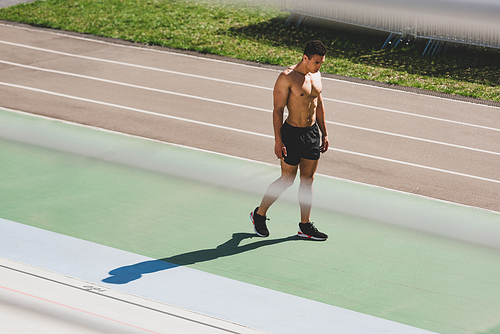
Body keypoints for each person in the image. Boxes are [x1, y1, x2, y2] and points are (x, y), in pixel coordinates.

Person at [250, 40, 329, 241]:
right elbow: (277, 110)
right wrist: (278, 140)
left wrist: (324, 133)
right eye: (317, 62)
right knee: (287, 179)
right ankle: (259, 214)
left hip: (312, 134)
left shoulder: (317, 75)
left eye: (322, 62)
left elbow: (318, 105)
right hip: (292, 134)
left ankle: (305, 225)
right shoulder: (287, 77)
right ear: (305, 57)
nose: (320, 66)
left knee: (307, 181)